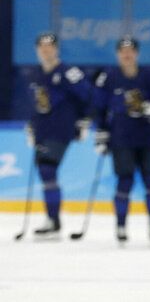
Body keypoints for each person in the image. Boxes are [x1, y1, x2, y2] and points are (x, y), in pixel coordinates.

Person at [92, 36, 150, 243]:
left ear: (136, 53)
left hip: (148, 138)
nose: (127, 55)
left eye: (130, 51)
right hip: (121, 139)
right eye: (123, 51)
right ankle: (120, 226)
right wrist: (101, 136)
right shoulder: (109, 77)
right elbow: (99, 108)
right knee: (124, 182)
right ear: (118, 54)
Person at [26, 32, 92, 238]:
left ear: (56, 49)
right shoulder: (36, 74)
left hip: (61, 128)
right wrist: (31, 126)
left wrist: (84, 121)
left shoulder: (68, 72)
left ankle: (53, 221)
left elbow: (88, 95)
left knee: (47, 168)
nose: (46, 50)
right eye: (42, 46)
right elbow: (37, 104)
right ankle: (52, 219)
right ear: (37, 50)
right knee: (45, 171)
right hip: (43, 130)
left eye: (50, 46)